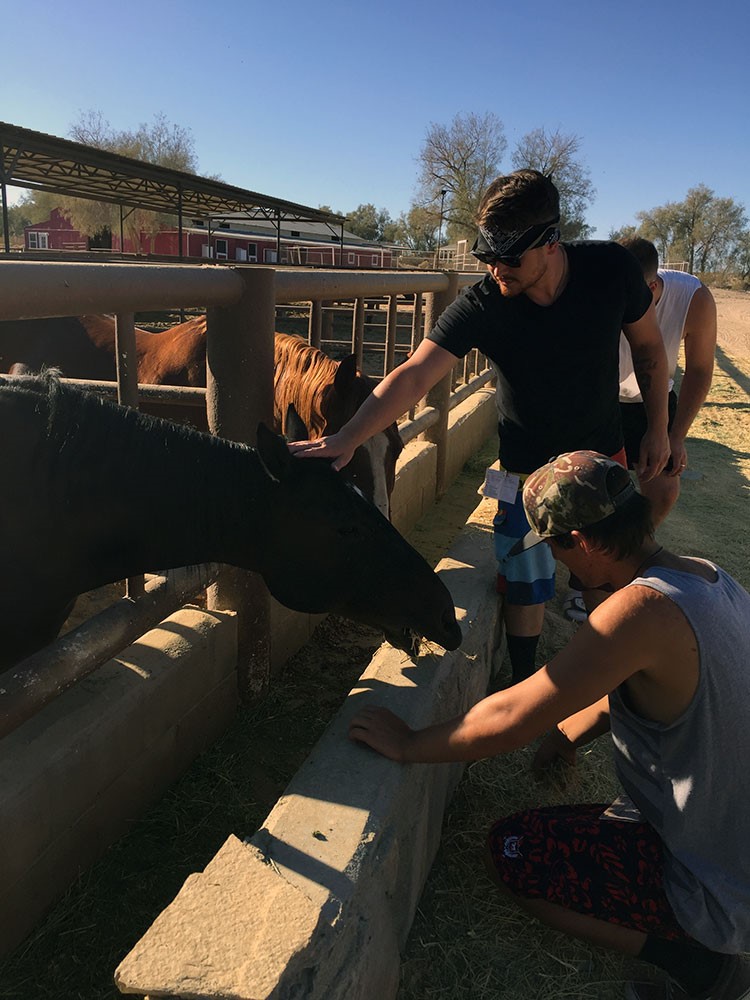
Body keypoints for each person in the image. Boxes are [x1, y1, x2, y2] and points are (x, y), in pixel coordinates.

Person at [349, 450, 750, 1000]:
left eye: (558, 549)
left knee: (513, 850)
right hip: (731, 835)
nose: (563, 569)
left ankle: (696, 962)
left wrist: (410, 742)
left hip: (716, 879)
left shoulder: (639, 612)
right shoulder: (709, 576)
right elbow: (636, 694)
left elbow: (513, 715)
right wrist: (565, 736)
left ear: (580, 540)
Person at [291, 170, 670, 684]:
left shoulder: (611, 269)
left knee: (609, 569)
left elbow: (649, 350)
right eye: (486, 254)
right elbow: (414, 374)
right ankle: (522, 680)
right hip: (523, 468)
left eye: (509, 256)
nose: (496, 268)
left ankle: (619, 674)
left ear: (551, 241)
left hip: (600, 457)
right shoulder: (485, 303)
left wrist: (659, 428)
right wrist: (345, 438)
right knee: (524, 577)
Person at [619, 237, 717, 525]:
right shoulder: (602, 289)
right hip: (599, 396)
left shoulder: (693, 298)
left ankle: (636, 546)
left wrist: (674, 436)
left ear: (651, 287)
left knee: (664, 491)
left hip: (653, 400)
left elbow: (699, 369)